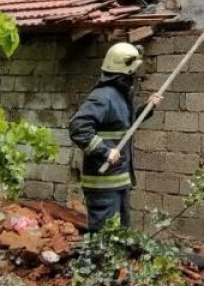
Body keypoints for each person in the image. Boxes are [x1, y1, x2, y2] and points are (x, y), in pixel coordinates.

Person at [68, 42, 158, 231]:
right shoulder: (103, 97)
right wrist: (104, 151)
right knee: (105, 240)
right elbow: (78, 127)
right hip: (103, 186)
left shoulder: (119, 96)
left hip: (118, 181)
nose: (136, 76)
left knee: (120, 237)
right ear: (126, 72)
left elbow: (125, 126)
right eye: (134, 71)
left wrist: (147, 109)